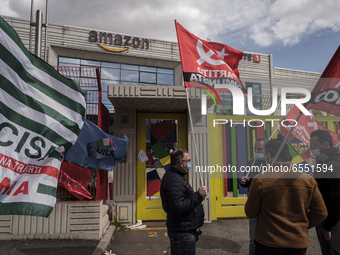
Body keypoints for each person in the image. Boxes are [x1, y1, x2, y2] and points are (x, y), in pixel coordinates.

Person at [245, 139, 327, 255]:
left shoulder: (260, 180)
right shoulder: (308, 180)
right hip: (298, 243)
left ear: (268, 154)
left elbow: (250, 212)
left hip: (268, 242)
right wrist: (302, 226)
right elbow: (321, 212)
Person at [160, 149, 207, 255]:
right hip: (182, 233)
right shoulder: (174, 180)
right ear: (181, 164)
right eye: (188, 161)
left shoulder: (176, 176)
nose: (189, 163)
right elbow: (178, 207)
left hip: (183, 230)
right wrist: (199, 195)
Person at [310, 130, 340, 255]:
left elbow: (337, 199)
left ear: (325, 145)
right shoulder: (324, 163)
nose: (311, 149)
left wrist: (328, 226)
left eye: (313, 145)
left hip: (333, 221)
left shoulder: (334, 165)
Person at [240, 137, 267, 255]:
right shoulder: (252, 162)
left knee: (268, 240)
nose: (257, 151)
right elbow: (246, 182)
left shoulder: (273, 163)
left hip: (268, 206)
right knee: (253, 240)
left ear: (267, 150)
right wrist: (243, 181)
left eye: (260, 149)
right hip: (255, 205)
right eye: (256, 148)